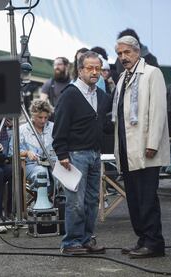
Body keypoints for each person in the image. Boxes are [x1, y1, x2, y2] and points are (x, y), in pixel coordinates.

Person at [113, 35, 170, 258]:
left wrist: (153, 143)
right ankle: (143, 239)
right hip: (128, 149)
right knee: (135, 199)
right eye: (119, 54)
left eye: (127, 52)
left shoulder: (152, 74)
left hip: (146, 148)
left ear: (138, 52)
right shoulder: (122, 77)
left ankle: (155, 242)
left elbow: (158, 112)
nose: (123, 57)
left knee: (147, 198)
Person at [53, 50, 112, 255]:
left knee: (91, 201)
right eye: (90, 68)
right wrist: (62, 154)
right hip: (75, 155)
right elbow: (59, 126)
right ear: (80, 71)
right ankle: (71, 243)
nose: (95, 72)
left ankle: (86, 239)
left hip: (95, 154)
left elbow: (104, 125)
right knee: (75, 202)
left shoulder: (102, 96)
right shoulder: (70, 94)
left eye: (98, 68)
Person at [18, 99, 56, 191]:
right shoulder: (22, 130)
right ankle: (42, 203)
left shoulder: (53, 127)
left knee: (63, 175)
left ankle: (59, 200)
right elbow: (12, 152)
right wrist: (27, 153)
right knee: (41, 173)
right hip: (31, 165)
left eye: (46, 117)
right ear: (33, 115)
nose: (43, 121)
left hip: (53, 163)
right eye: (40, 117)